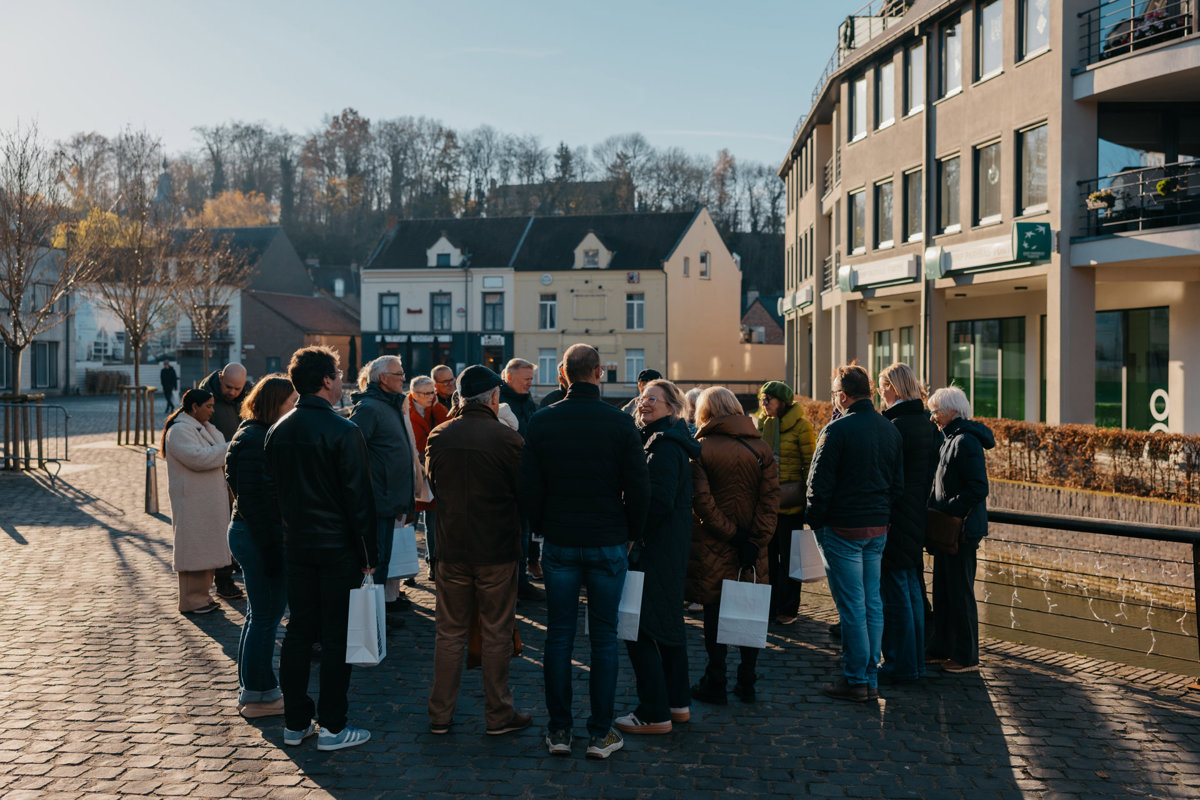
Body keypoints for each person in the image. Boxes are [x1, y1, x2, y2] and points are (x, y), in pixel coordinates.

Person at [520, 343, 650, 760]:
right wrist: (632, 532)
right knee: (604, 639)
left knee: (558, 638)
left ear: (563, 373)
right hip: (608, 539)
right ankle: (600, 733)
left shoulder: (541, 422)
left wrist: (542, 528)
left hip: (560, 539)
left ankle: (559, 731)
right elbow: (639, 487)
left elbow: (529, 489)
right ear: (599, 372)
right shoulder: (620, 423)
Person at [265, 345, 377, 752]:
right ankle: (332, 725)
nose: (341, 380)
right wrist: (369, 558)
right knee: (335, 639)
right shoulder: (344, 431)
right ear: (328, 381)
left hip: (297, 545)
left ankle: (295, 723)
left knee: (297, 633)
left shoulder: (279, 430)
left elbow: (273, 493)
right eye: (338, 373)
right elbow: (359, 502)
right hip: (338, 550)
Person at [425, 365, 531, 737]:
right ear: (494, 398)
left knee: (449, 632)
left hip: (451, 546)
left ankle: (440, 715)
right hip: (497, 549)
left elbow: (434, 483)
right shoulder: (507, 440)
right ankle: (498, 714)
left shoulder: (439, 436)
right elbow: (525, 494)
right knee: (497, 631)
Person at [806, 365, 903, 703]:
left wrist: (816, 523)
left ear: (843, 396)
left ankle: (856, 679)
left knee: (852, 607)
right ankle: (870, 677)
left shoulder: (837, 430)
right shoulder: (889, 430)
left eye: (835, 394)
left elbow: (817, 487)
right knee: (872, 603)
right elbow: (898, 485)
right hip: (877, 527)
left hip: (843, 528)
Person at [615, 379, 700, 735]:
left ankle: (653, 713)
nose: (644, 403)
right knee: (667, 627)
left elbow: (658, 501)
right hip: (669, 549)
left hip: (655, 551)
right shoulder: (663, 439)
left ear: (671, 407)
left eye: (653, 398)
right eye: (642, 397)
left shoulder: (664, 446)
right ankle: (677, 704)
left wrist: (634, 536)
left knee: (641, 631)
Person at [686, 387, 779, 705]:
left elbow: (702, 503)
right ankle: (747, 680)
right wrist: (755, 539)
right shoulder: (761, 448)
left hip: (714, 543)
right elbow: (770, 501)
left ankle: (716, 680)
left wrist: (731, 534)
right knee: (749, 607)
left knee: (714, 611)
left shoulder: (700, 448)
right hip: (753, 547)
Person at [225, 375, 298, 718]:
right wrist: (272, 553)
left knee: (259, 615)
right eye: (290, 403)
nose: (294, 409)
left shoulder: (252, 433)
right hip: (258, 536)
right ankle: (259, 697)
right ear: (275, 404)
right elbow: (257, 503)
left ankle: (252, 691)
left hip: (252, 533)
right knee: (265, 617)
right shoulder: (257, 438)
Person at [876, 363, 941, 684]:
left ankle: (900, 665)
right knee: (913, 587)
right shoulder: (926, 425)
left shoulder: (894, 426)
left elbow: (887, 479)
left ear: (891, 387)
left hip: (895, 517)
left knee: (896, 591)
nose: (877, 392)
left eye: (880, 385)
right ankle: (914, 662)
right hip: (916, 514)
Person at [927, 385, 994, 675]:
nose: (933, 417)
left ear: (953, 410)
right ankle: (942, 649)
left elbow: (978, 488)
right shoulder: (950, 438)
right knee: (943, 591)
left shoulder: (964, 441)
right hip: (949, 530)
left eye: (936, 411)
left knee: (960, 592)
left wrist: (947, 509)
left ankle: (967, 657)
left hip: (961, 531)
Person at [348, 356, 416, 614]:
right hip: (378, 500)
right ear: (383, 378)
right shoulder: (370, 408)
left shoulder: (388, 405)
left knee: (384, 561)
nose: (403, 378)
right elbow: (353, 452)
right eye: (399, 374)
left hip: (390, 499)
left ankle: (379, 615)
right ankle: (372, 618)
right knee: (375, 563)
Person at [163, 388, 232, 615]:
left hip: (205, 500)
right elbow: (198, 458)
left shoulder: (204, 428)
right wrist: (229, 448)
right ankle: (192, 600)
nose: (212, 411)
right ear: (194, 407)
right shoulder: (180, 431)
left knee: (207, 549)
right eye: (208, 406)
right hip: (192, 500)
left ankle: (203, 595)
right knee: (194, 550)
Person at [755, 380, 816, 625]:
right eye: (762, 400)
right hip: (766, 504)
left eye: (768, 399)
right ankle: (769, 605)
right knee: (767, 557)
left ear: (782, 402)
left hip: (791, 505)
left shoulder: (801, 427)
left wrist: (808, 500)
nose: (764, 404)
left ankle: (788, 608)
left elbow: (810, 465)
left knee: (790, 558)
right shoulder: (761, 425)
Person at [200, 361, 254, 600]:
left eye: (237, 388)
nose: (232, 392)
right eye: (229, 387)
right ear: (220, 378)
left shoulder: (250, 395)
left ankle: (236, 561)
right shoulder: (205, 398)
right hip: (218, 468)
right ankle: (223, 579)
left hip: (243, 466)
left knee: (241, 519)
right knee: (222, 522)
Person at [499, 358, 546, 594]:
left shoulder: (527, 401)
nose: (530, 383)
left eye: (531, 378)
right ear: (509, 378)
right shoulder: (500, 403)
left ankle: (522, 580)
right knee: (512, 534)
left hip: (527, 476)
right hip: (508, 479)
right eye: (526, 379)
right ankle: (514, 583)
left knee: (525, 532)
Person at [406, 375, 449, 578]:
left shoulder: (436, 409)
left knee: (433, 521)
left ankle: (433, 563)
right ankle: (407, 568)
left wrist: (438, 407)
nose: (432, 396)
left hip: (432, 471)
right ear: (414, 394)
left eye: (433, 392)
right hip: (412, 472)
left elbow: (449, 424)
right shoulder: (404, 410)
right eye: (427, 393)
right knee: (410, 522)